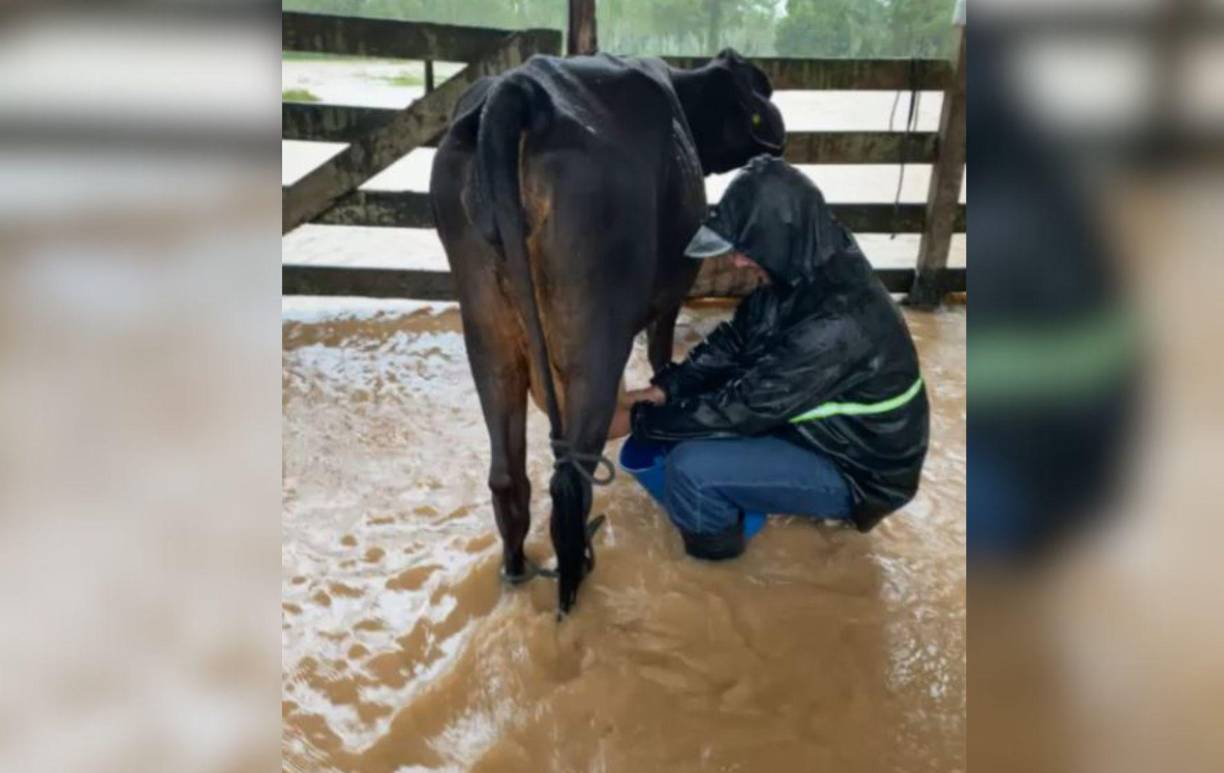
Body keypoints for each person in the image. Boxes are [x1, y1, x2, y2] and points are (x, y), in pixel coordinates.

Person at [609, 155, 929, 560]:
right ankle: (754, 493)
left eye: (747, 249)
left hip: (861, 468)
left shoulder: (837, 321)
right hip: (831, 430)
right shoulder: (804, 263)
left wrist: (637, 420)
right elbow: (734, 342)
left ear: (780, 237)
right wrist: (662, 392)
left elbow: (744, 409)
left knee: (691, 469)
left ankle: (717, 568)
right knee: (684, 423)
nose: (737, 261)